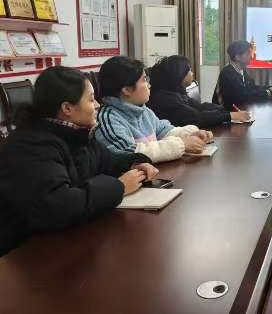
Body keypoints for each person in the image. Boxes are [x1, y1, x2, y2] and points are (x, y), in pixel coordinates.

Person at [0, 66, 159, 256]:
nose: (98, 105)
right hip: (23, 253)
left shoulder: (77, 133)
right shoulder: (30, 146)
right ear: (67, 108)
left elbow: (107, 162)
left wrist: (134, 164)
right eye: (91, 99)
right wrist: (120, 187)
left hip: (66, 239)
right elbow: (56, 207)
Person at [95, 56, 211, 163]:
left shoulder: (143, 110)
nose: (149, 85)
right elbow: (130, 153)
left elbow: (164, 131)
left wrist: (190, 134)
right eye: (144, 80)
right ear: (127, 90)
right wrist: (182, 144)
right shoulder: (108, 120)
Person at [147, 55, 250, 127]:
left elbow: (200, 107)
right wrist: (230, 115)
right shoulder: (165, 98)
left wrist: (227, 110)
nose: (192, 73)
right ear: (179, 75)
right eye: (189, 70)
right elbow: (196, 117)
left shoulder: (176, 92)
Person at [213, 40, 272, 109]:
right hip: (224, 112)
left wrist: (269, 88)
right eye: (248, 54)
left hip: (239, 109)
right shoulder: (227, 73)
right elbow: (243, 96)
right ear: (237, 57)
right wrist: (268, 92)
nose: (251, 57)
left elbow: (252, 88)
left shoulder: (242, 70)